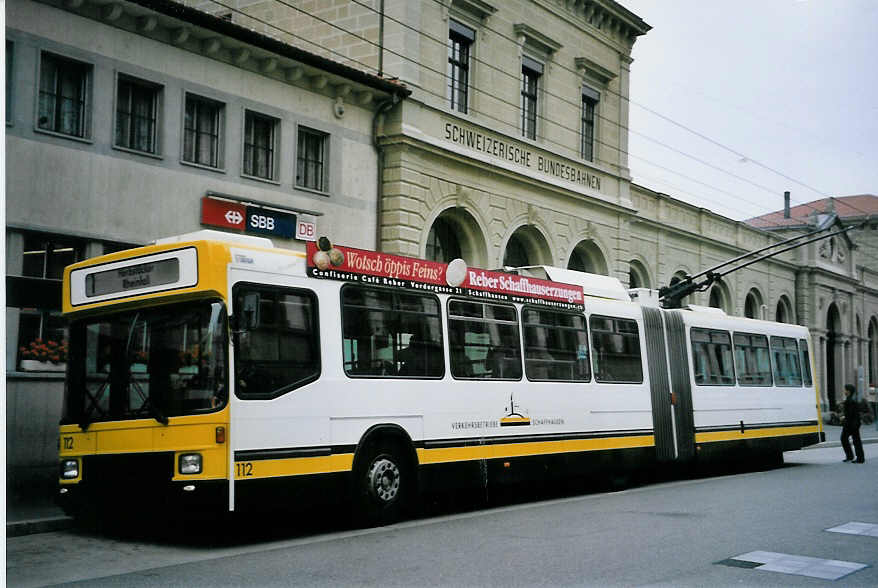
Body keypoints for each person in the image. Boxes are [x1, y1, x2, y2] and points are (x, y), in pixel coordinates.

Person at [840, 384, 865, 464]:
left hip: (852, 424)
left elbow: (851, 414)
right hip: (852, 423)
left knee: (853, 440)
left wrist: (844, 418)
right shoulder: (850, 399)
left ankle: (857, 457)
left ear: (849, 391)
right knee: (852, 440)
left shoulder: (851, 401)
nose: (844, 391)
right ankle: (854, 457)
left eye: (846, 390)